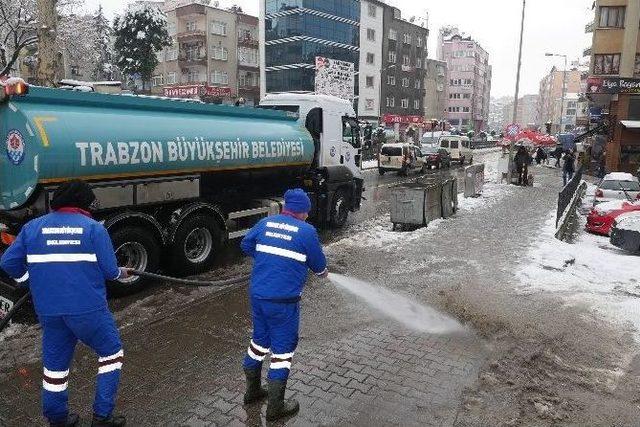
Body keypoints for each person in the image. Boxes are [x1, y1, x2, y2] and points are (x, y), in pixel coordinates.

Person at [0, 181, 128, 427]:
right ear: (82, 202)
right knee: (111, 353)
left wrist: (28, 279)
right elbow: (110, 271)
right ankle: (102, 416)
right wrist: (121, 272)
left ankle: (58, 419)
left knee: (55, 368)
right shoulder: (93, 229)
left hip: (49, 311)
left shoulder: (32, 228)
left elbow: (7, 263)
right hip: (88, 311)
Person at [240, 188, 328, 421]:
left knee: (259, 341)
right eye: (306, 211)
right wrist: (322, 272)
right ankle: (275, 407)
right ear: (300, 211)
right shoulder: (307, 232)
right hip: (283, 302)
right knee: (283, 349)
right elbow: (319, 266)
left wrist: (267, 258)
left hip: (258, 296)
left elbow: (246, 245)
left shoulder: (265, 223)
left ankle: (252, 391)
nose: (308, 216)